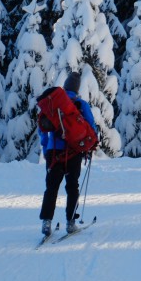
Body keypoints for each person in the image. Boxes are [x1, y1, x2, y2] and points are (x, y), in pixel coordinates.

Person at [39, 71, 97, 237]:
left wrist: (46, 149)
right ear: (77, 89)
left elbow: (42, 130)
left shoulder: (53, 105)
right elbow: (91, 127)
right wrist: (89, 147)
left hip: (54, 151)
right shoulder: (81, 104)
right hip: (73, 152)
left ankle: (46, 222)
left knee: (51, 187)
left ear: (64, 88)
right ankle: (71, 222)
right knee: (72, 187)